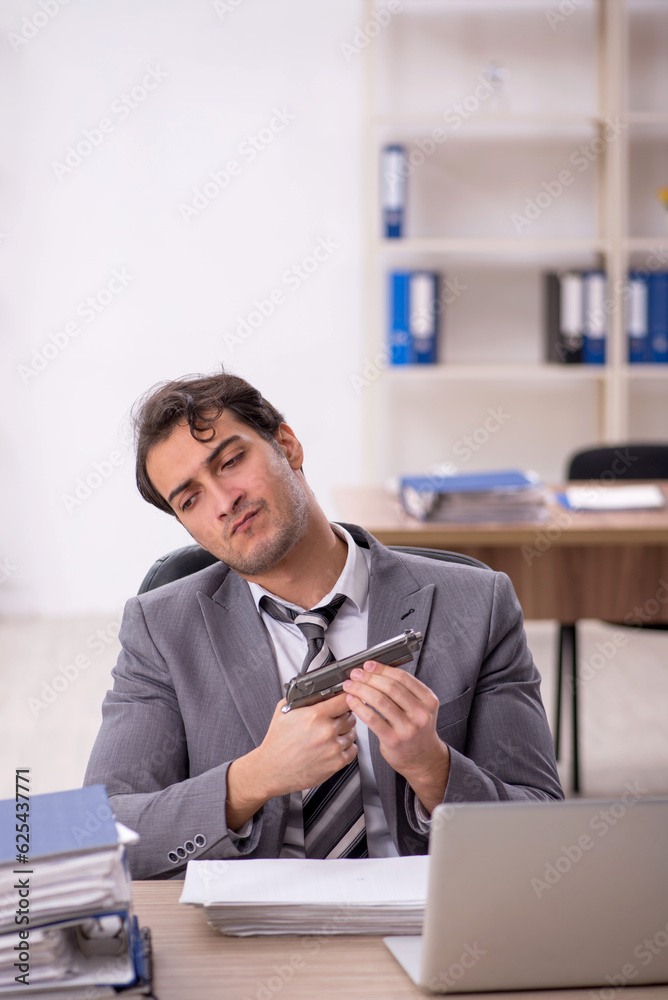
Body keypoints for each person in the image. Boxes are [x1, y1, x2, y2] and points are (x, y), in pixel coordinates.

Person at [85, 370, 563, 879]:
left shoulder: (477, 604)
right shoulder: (161, 630)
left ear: (287, 445)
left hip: (423, 909)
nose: (224, 503)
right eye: (190, 499)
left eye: (230, 461)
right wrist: (252, 779)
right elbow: (100, 833)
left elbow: (540, 829)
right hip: (254, 917)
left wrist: (432, 767)